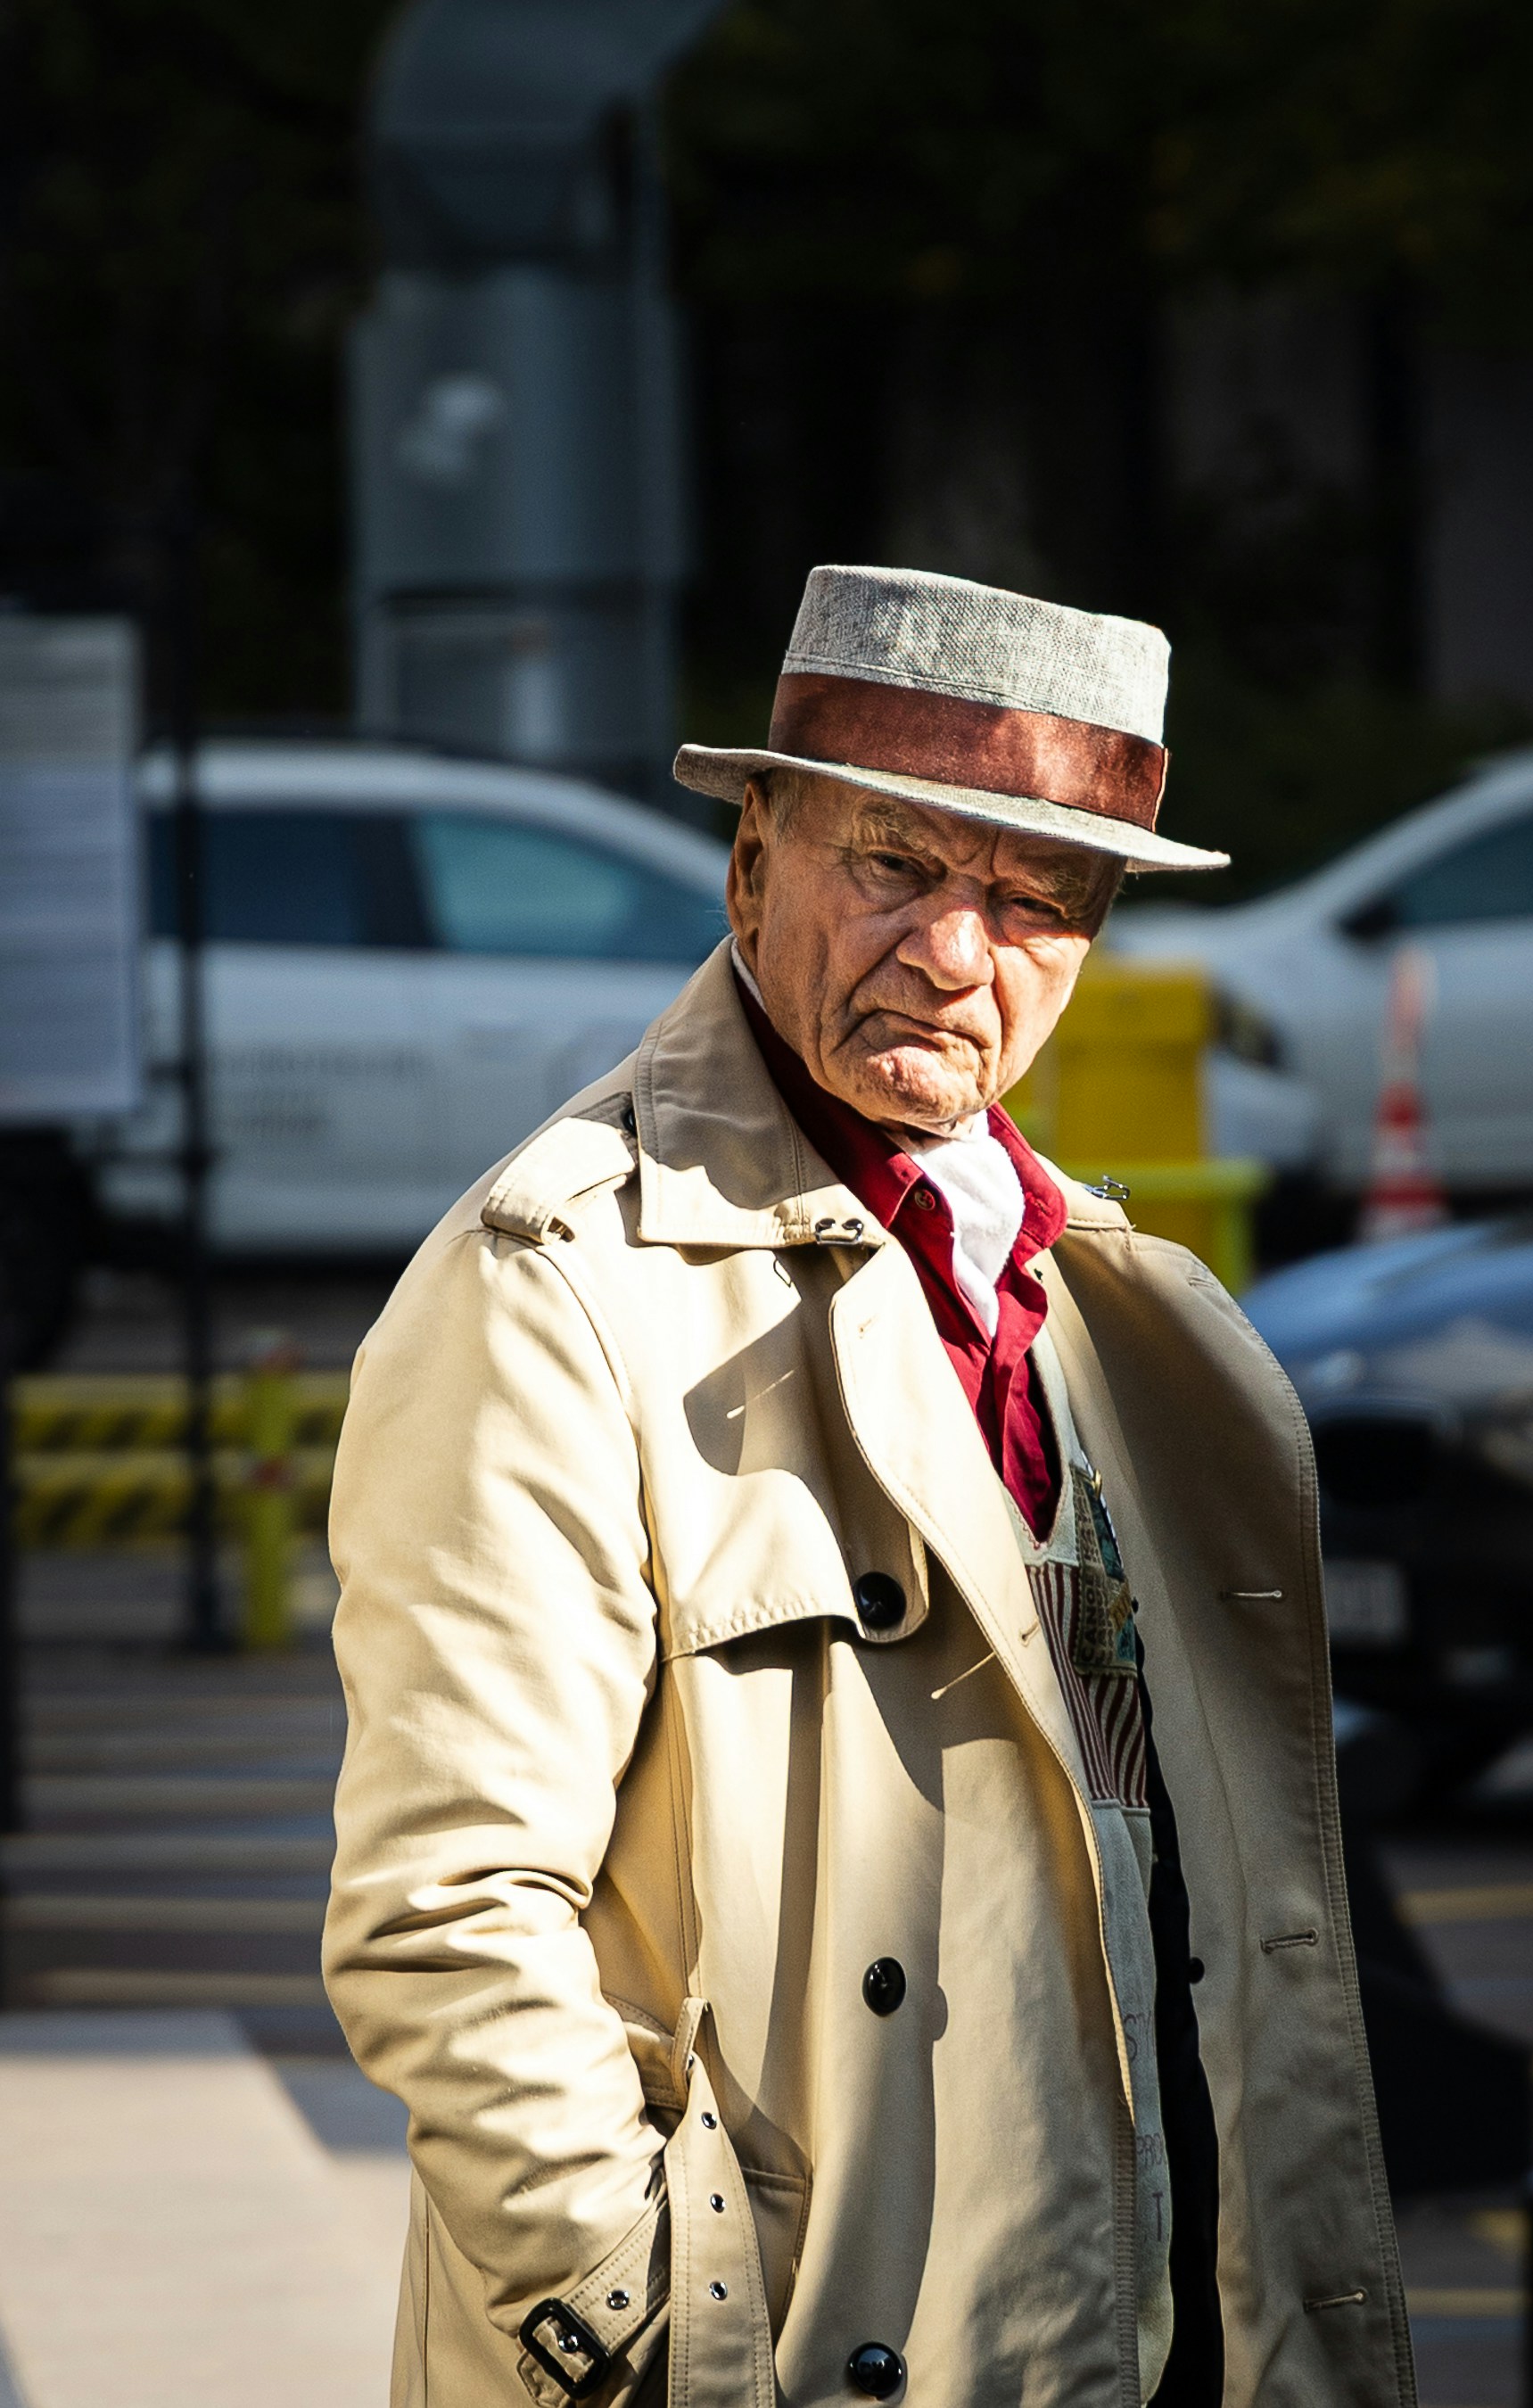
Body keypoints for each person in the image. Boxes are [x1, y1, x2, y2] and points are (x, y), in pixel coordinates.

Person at [324, 566, 1413, 2408]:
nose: (954, 953)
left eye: (1030, 898)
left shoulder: (1121, 1312)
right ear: (752, 854)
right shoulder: (559, 1281)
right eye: (893, 867)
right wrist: (654, 2337)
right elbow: (447, 1919)